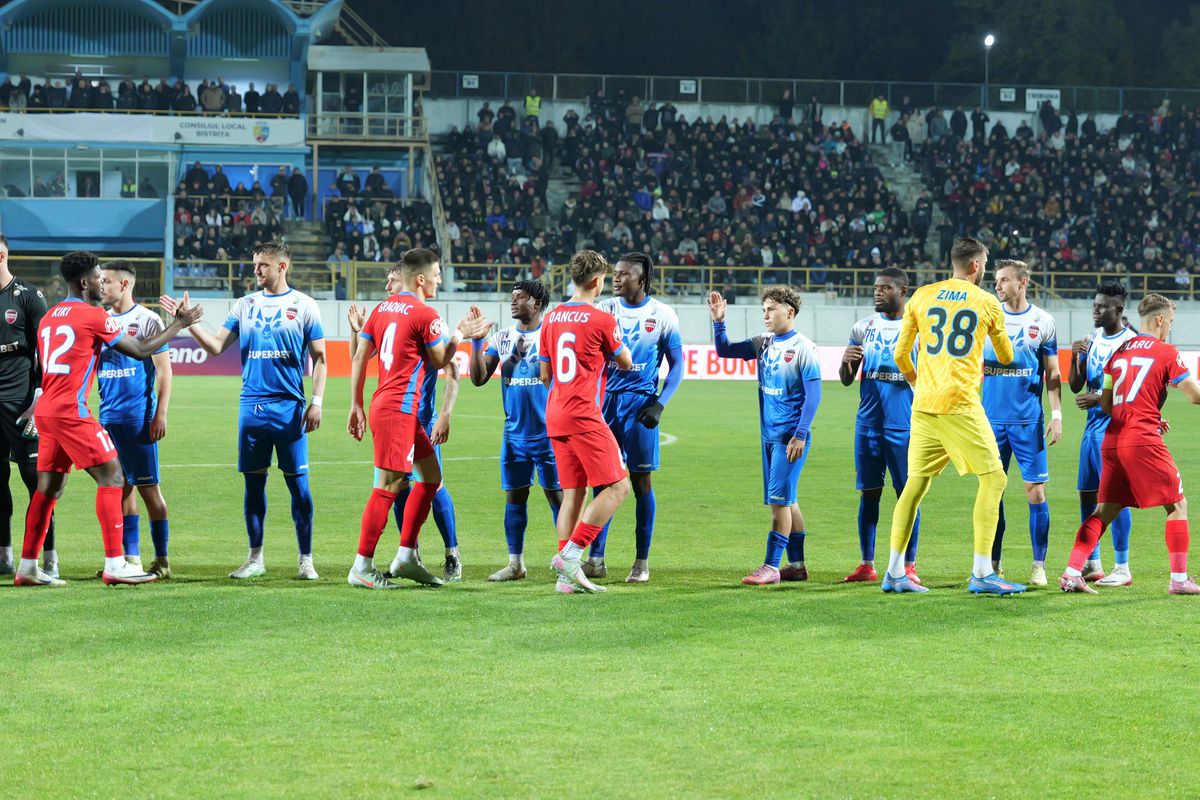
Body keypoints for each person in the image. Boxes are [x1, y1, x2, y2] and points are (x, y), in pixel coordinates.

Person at [15, 251, 201, 587]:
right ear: (85, 282)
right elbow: (142, 350)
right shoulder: (94, 316)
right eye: (100, 277)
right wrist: (179, 324)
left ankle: (28, 566)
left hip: (47, 412)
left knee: (48, 488)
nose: (103, 282)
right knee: (114, 478)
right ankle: (116, 563)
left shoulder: (50, 316)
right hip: (73, 412)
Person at [159, 241, 326, 581]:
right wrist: (187, 323)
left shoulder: (305, 306)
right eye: (254, 265)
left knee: (300, 487)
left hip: (289, 406)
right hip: (251, 406)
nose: (255, 271)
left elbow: (321, 358)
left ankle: (305, 559)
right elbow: (217, 346)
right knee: (253, 487)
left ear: (282, 266)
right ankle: (255, 559)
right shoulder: (244, 305)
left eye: (262, 265)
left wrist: (317, 402)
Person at [884, 236, 1023, 595]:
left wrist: (918, 382)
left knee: (914, 486)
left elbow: (901, 355)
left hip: (924, 406)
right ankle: (981, 572)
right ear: (976, 265)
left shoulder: (922, 296)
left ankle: (894, 572)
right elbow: (1006, 356)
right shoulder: (986, 302)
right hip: (960, 405)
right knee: (994, 480)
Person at [346, 248, 472, 589]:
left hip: (389, 407)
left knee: (431, 477)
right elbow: (439, 359)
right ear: (420, 279)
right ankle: (362, 566)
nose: (439, 281)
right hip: (399, 410)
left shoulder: (381, 310)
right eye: (436, 276)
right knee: (388, 487)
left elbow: (360, 354)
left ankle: (405, 556)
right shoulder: (425, 314)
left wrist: (356, 403)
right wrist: (460, 334)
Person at [1060, 294, 1200, 595]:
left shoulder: (1119, 353)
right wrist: (1147, 419)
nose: (1170, 329)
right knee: (1177, 505)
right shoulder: (1166, 351)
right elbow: (1194, 395)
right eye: (1171, 323)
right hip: (1142, 441)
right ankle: (1179, 579)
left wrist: (1148, 415)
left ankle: (1072, 573)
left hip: (1113, 441)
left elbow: (1109, 405)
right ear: (1160, 319)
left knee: (1103, 511)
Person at [709, 286, 821, 586]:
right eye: (764, 310)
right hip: (769, 437)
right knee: (789, 501)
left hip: (789, 438)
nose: (766, 315)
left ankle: (771, 567)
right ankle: (796, 566)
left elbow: (814, 397)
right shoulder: (763, 343)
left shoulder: (803, 348)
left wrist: (800, 434)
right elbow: (725, 350)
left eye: (772, 309)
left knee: (778, 503)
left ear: (790, 312)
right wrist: (718, 322)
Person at [582, 253, 683, 584]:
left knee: (641, 484)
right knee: (602, 483)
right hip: (606, 405)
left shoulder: (663, 315)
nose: (617, 278)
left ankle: (641, 562)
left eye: (625, 274)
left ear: (641, 279)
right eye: (616, 273)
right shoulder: (604, 310)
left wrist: (660, 404)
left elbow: (677, 365)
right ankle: (596, 559)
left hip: (641, 408)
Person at [538, 250, 633, 594]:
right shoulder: (602, 319)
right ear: (597, 282)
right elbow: (625, 360)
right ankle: (573, 555)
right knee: (619, 487)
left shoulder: (551, 317)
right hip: (583, 413)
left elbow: (545, 372)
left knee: (572, 495)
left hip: (556, 412)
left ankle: (566, 580)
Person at [467, 280, 563, 581]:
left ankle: (568, 560)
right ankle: (516, 563)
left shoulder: (552, 335)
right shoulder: (503, 338)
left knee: (557, 498)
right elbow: (479, 378)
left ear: (536, 304)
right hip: (514, 435)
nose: (513, 302)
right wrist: (476, 343)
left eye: (520, 298)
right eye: (512, 297)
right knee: (515, 498)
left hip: (549, 434)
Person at [980, 260, 1063, 586]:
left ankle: (1038, 565)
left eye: (1004, 280)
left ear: (1023, 282)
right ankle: (993, 564)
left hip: (1029, 421)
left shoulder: (1043, 321)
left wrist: (1056, 414)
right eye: (996, 280)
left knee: (1036, 492)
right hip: (989, 421)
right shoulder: (987, 316)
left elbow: (1053, 373)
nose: (997, 286)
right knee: (992, 494)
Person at [839, 268, 921, 584]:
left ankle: (909, 565)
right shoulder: (863, 328)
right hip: (868, 424)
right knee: (869, 494)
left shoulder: (918, 329)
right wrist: (846, 361)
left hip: (905, 425)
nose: (877, 292)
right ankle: (866, 564)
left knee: (908, 495)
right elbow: (847, 379)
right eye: (875, 287)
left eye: (885, 288)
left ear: (902, 292)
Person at [96, 261, 174, 577]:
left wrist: (160, 414)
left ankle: (163, 560)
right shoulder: (99, 321)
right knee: (120, 489)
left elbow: (165, 370)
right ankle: (132, 559)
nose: (101, 286)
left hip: (138, 421)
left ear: (125, 285)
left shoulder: (147, 320)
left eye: (107, 281)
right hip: (108, 419)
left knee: (148, 489)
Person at [1067, 281, 1137, 585]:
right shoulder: (1091, 339)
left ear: (1118, 310)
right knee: (1087, 493)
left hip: (1116, 428)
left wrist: (1099, 399)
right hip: (1091, 427)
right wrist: (1074, 357)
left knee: (1116, 497)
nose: (1096, 311)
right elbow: (1074, 385)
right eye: (1094, 305)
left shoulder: (1132, 343)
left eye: (1102, 306)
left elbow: (1134, 392)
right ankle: (1093, 562)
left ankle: (1122, 567)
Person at [0, 234, 57, 576]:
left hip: (22, 404)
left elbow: (48, 353)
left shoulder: (28, 296)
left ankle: (48, 556)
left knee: (35, 480)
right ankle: (4, 555)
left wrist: (39, 398)